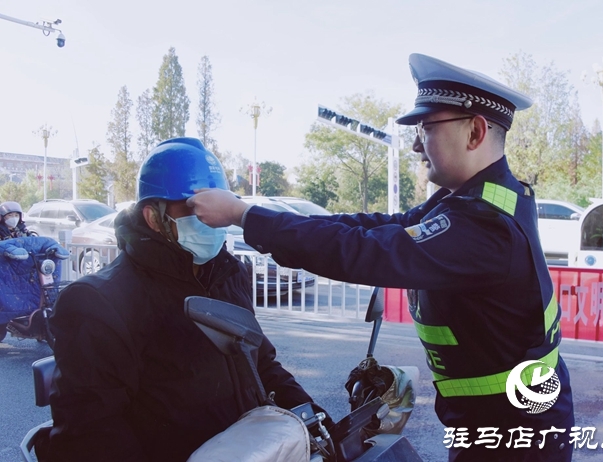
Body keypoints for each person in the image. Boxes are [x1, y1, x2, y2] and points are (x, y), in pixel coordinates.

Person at [187, 54, 575, 461]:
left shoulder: (485, 226)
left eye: (427, 128)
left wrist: (243, 216)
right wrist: (264, 217)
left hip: (515, 431)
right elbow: (379, 227)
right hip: (499, 417)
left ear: (475, 132)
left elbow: (367, 251)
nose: (415, 144)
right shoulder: (481, 199)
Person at [38, 138, 318, 462]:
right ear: (154, 218)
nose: (213, 221)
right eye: (196, 208)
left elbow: (262, 365)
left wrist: (317, 422)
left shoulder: (228, 275)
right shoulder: (98, 303)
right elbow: (92, 435)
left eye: (219, 208)